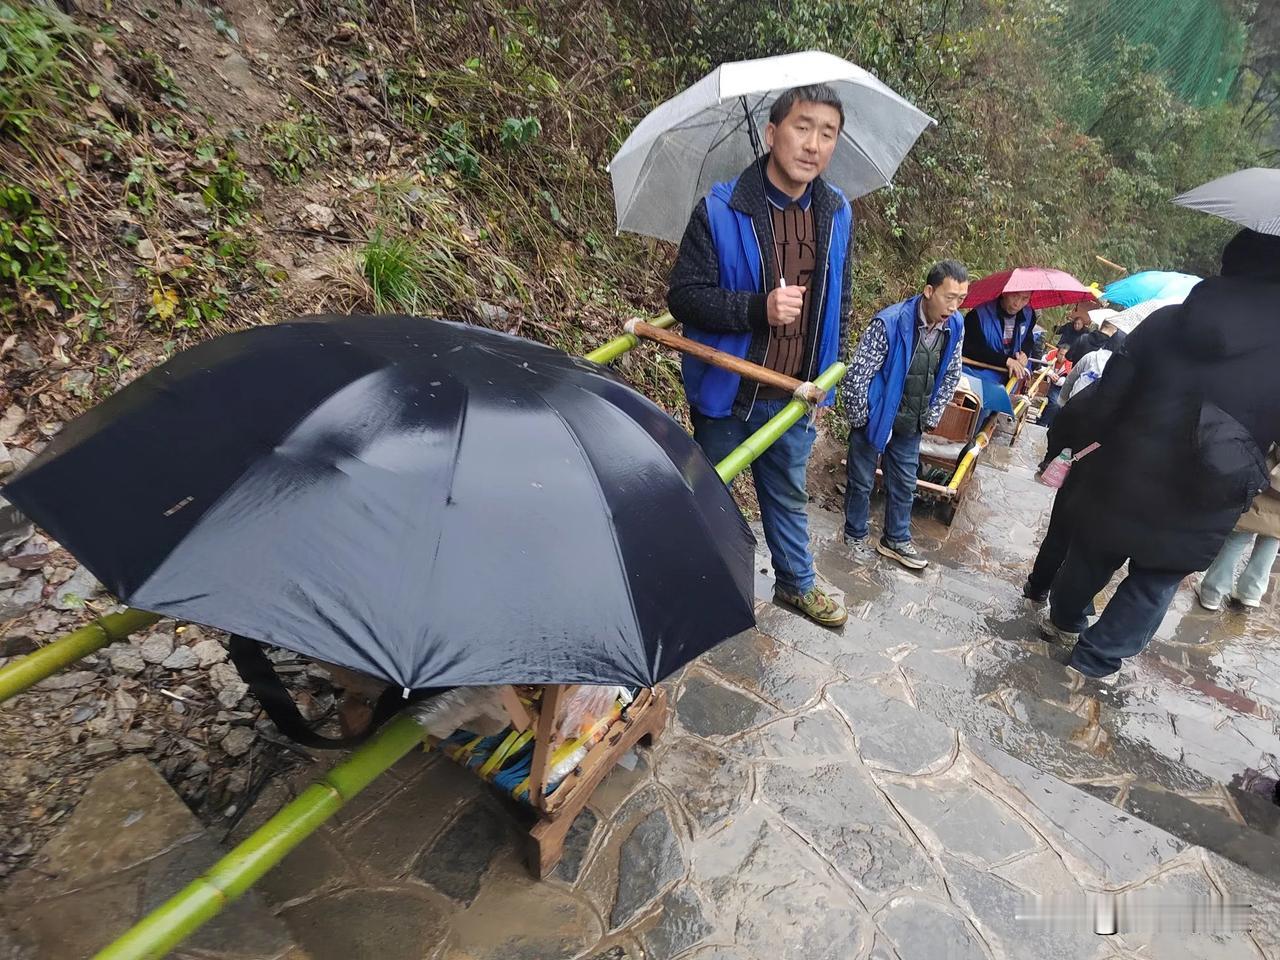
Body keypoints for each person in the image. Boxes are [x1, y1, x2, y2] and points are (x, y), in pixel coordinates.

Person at [1037, 228, 1280, 685]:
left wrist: (1073, 444)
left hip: (1123, 468)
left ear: (1228, 264)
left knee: (1091, 550)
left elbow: (1108, 397)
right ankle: (1096, 659)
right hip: (1209, 488)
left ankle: (1066, 620)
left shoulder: (1166, 320)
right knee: (1156, 580)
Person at [667, 83, 853, 628]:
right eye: (802, 127)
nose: (813, 144)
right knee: (712, 495)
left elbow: (837, 299)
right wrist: (758, 310)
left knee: (789, 494)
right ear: (772, 134)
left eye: (827, 133)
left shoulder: (836, 212)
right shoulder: (721, 210)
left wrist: (826, 381)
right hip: (731, 389)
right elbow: (684, 296)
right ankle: (694, 587)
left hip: (795, 392)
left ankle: (796, 584)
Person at [840, 261, 968, 570]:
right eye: (948, 297)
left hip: (912, 421)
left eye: (960, 299)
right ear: (929, 291)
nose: (953, 306)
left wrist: (931, 414)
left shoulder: (955, 327)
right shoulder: (890, 322)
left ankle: (895, 539)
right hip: (876, 417)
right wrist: (862, 419)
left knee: (905, 483)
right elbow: (857, 375)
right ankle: (854, 536)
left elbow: (951, 373)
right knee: (861, 482)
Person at [1197, 444, 1280, 611]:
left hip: (1269, 478)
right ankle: (1251, 593)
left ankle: (1213, 591)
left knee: (1239, 533)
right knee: (1273, 536)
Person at [963, 290, 1038, 382]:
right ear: (1004, 293)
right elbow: (972, 349)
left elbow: (1028, 339)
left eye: (1025, 298)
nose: (1017, 304)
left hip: (1013, 377)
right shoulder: (977, 315)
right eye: (1014, 296)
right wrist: (1006, 361)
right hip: (980, 374)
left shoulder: (1029, 315)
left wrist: (1025, 354)